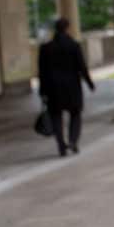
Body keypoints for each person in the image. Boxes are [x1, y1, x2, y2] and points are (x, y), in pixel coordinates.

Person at [38, 18, 95, 156]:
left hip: (53, 88)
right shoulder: (74, 46)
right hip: (72, 87)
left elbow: (42, 72)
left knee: (56, 116)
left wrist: (42, 91)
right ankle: (73, 141)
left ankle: (61, 146)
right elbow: (82, 67)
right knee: (75, 114)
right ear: (67, 28)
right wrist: (89, 83)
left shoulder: (45, 48)